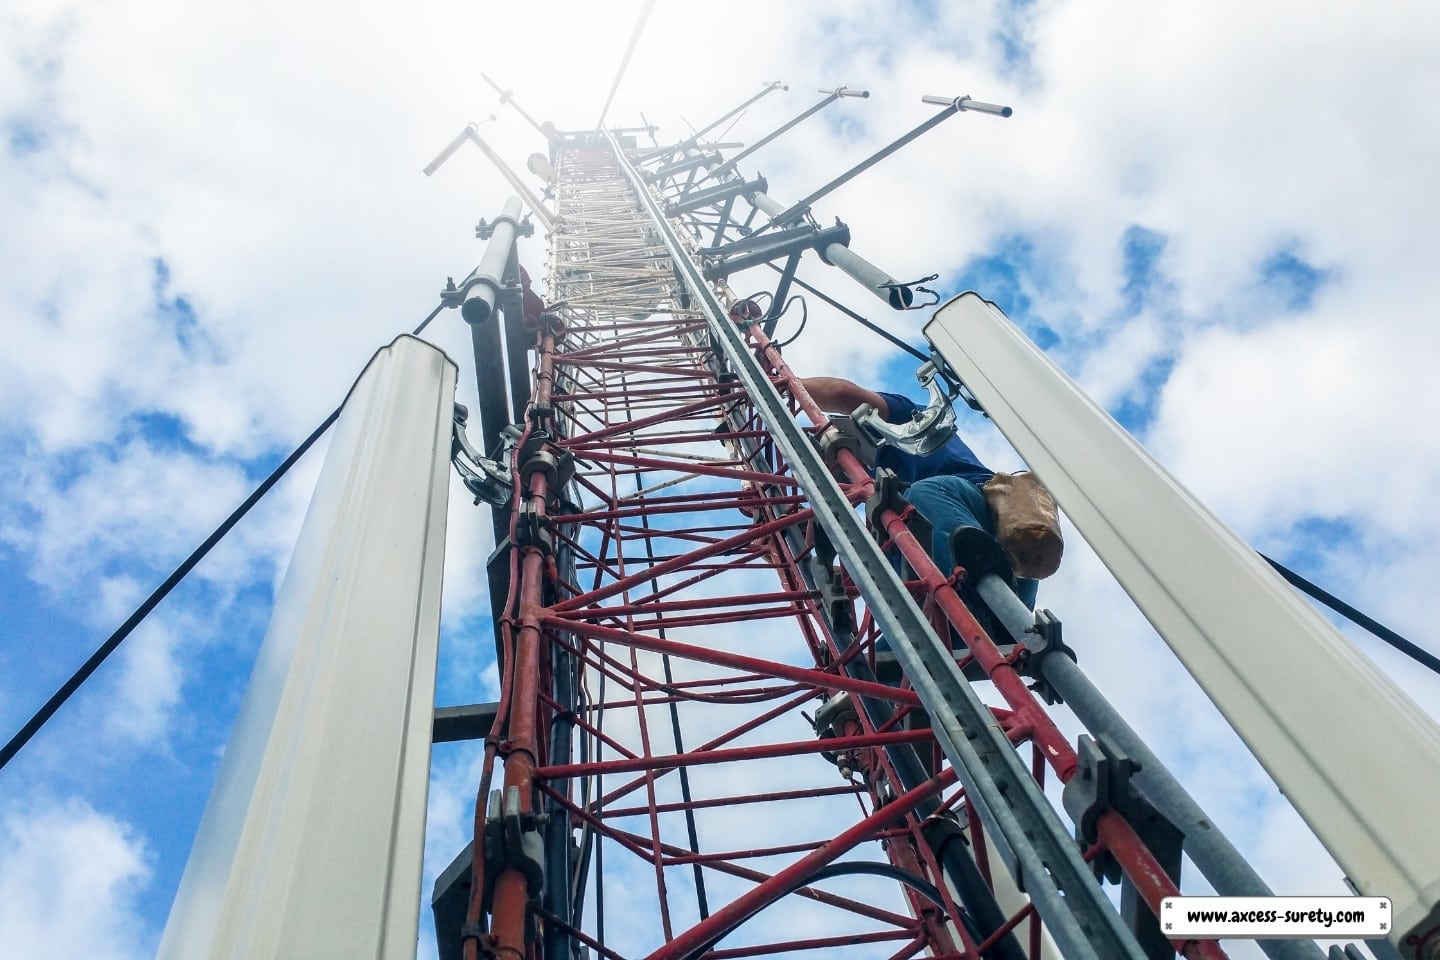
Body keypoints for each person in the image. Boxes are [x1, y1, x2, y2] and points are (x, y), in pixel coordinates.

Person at [799, 377, 1040, 620]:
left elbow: (840, 394)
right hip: (947, 609)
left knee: (924, 497)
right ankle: (975, 619)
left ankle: (972, 601)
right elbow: (862, 579)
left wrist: (784, 386)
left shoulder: (905, 420)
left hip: (977, 511)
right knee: (879, 652)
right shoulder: (889, 510)